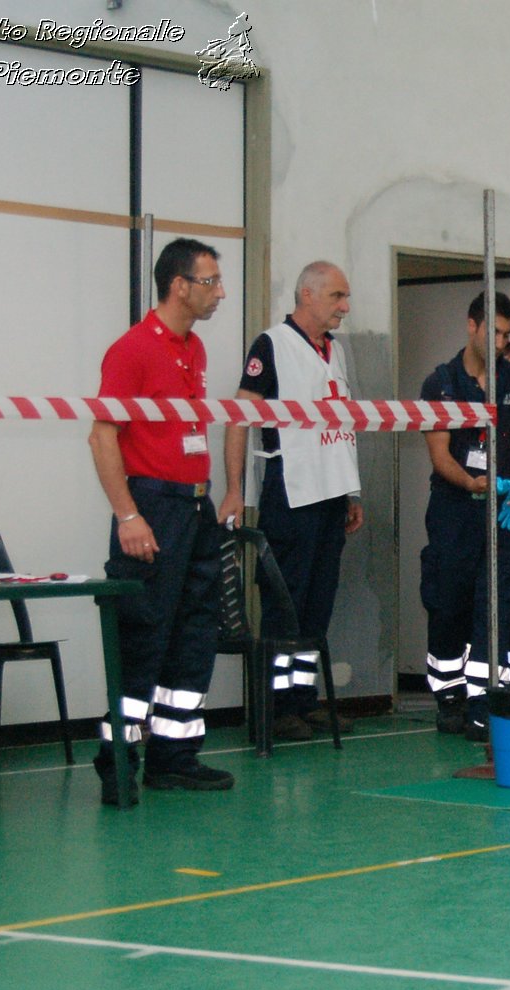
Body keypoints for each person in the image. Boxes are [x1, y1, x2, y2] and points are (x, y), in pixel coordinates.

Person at [88, 237, 234, 805]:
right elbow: (102, 435)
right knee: (142, 636)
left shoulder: (192, 350)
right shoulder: (131, 350)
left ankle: (174, 757)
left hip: (194, 506)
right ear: (179, 285)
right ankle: (117, 762)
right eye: (210, 281)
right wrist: (128, 514)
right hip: (153, 506)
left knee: (194, 634)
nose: (219, 292)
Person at [219, 262, 365, 740]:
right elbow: (239, 417)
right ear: (308, 294)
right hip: (292, 493)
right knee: (286, 603)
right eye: (337, 296)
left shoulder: (335, 351)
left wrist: (351, 490)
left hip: (330, 494)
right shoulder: (272, 345)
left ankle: (303, 699)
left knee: (318, 606)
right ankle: (277, 707)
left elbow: (340, 421)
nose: (345, 307)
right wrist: (236, 489)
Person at [419, 292, 510, 740]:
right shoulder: (441, 382)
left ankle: (485, 701)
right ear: (471, 326)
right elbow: (439, 454)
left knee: (497, 604)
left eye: (507, 333)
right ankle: (449, 696)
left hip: (504, 512)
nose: (501, 340)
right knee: (448, 601)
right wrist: (471, 483)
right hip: (456, 510)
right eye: (494, 331)